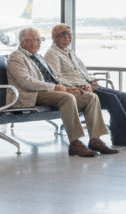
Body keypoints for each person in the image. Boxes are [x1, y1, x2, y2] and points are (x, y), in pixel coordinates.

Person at [45, 24, 126, 152]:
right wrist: (78, 86)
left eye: (69, 34)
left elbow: (82, 72)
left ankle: (124, 138)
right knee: (112, 99)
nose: (67, 37)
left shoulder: (70, 52)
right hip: (78, 90)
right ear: (54, 37)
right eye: (63, 34)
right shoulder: (52, 54)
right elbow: (55, 78)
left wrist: (91, 81)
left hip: (88, 85)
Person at [6, 27, 114, 158]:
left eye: (40, 40)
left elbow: (53, 78)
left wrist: (69, 87)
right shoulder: (16, 58)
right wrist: (55, 88)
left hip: (48, 91)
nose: (40, 43)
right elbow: (26, 82)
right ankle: (75, 143)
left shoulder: (38, 57)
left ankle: (95, 139)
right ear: (25, 41)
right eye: (37, 40)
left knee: (91, 97)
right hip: (30, 95)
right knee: (66, 98)